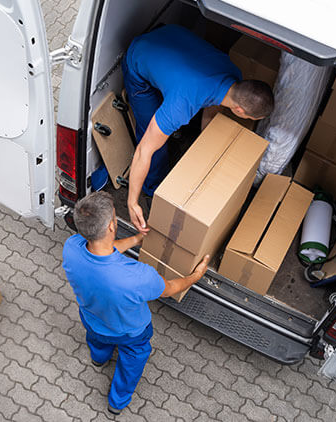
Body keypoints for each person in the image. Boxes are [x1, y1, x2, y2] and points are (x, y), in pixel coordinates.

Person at [62, 191, 209, 415]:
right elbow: (170, 289)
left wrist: (136, 239)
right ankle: (116, 402)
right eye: (114, 216)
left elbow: (103, 251)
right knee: (131, 362)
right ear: (112, 227)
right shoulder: (136, 276)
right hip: (129, 333)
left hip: (91, 318)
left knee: (97, 340)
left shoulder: (71, 247)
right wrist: (195, 278)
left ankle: (98, 359)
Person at [122, 24, 275, 233]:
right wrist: (132, 202)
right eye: (249, 116)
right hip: (138, 57)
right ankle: (153, 188)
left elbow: (213, 103)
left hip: (167, 37)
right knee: (154, 142)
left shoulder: (234, 75)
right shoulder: (181, 105)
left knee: (173, 115)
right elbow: (144, 151)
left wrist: (207, 151)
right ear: (239, 110)